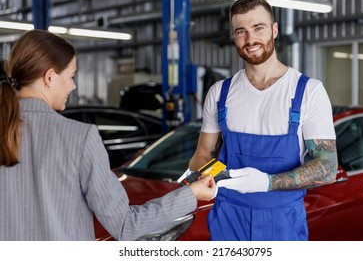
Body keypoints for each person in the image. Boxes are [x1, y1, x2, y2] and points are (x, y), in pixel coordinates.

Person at [0, 29, 217, 241]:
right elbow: (125, 226)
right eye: (71, 76)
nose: (73, 86)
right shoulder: (79, 137)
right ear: (49, 77)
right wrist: (191, 194)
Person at [188, 0, 338, 241]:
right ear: (233, 36)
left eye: (258, 28)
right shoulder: (219, 93)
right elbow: (201, 155)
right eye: (241, 31)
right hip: (227, 216)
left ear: (275, 30)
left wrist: (267, 182)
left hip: (282, 221)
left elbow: (327, 168)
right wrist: (217, 176)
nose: (250, 39)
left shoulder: (308, 91)